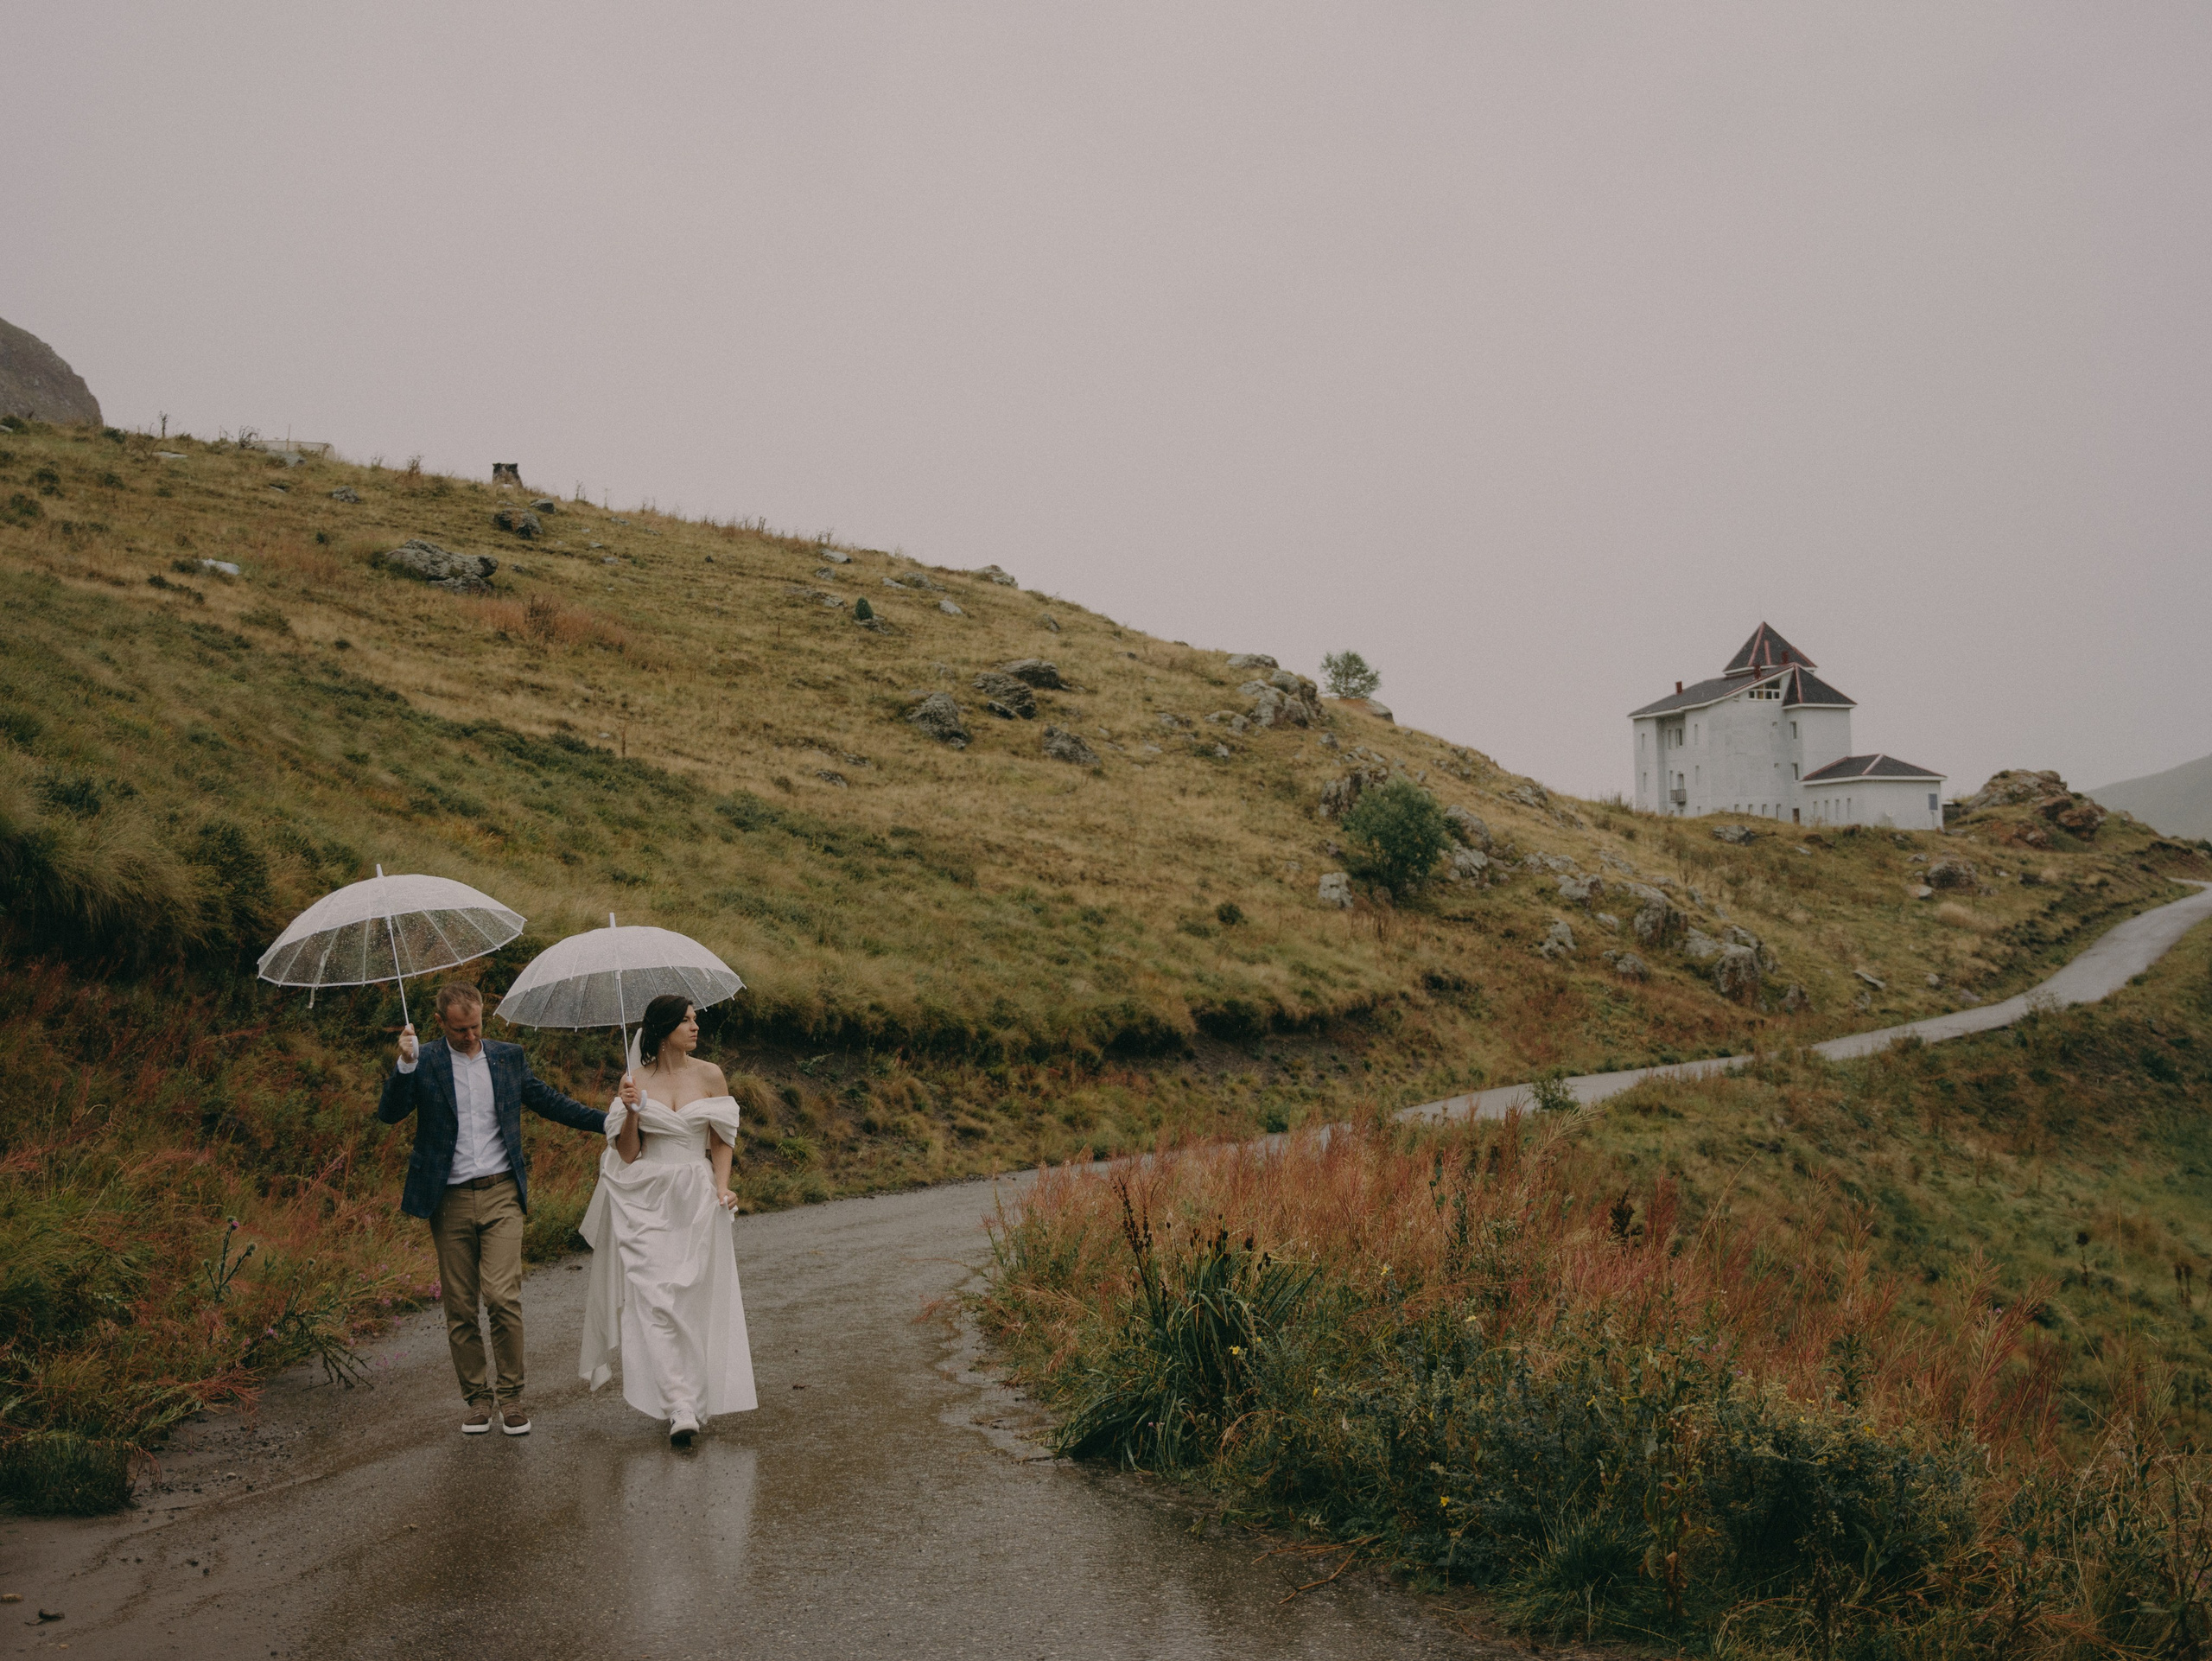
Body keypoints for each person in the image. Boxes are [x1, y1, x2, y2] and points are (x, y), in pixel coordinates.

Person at [378, 982, 607, 1435]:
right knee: (461, 1307)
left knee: (503, 1297)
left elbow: (547, 1101)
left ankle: (512, 1398)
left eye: (476, 1026)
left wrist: (610, 1121)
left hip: (503, 1191)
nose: (470, 1036)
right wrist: (404, 1066)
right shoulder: (424, 1060)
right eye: (460, 1029)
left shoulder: (507, 1056)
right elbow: (390, 1113)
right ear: (440, 1023)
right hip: (449, 1197)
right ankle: (478, 1401)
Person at [578, 994, 758, 1446]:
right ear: (662, 1031)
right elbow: (628, 1152)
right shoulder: (633, 1081)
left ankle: (697, 1395)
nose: (695, 1028)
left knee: (692, 1297)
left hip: (696, 1194)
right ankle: (679, 1405)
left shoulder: (711, 1075)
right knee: (655, 1298)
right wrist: (631, 1111)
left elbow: (721, 1139)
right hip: (648, 1197)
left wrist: (722, 1187)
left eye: (696, 1020)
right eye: (686, 1021)